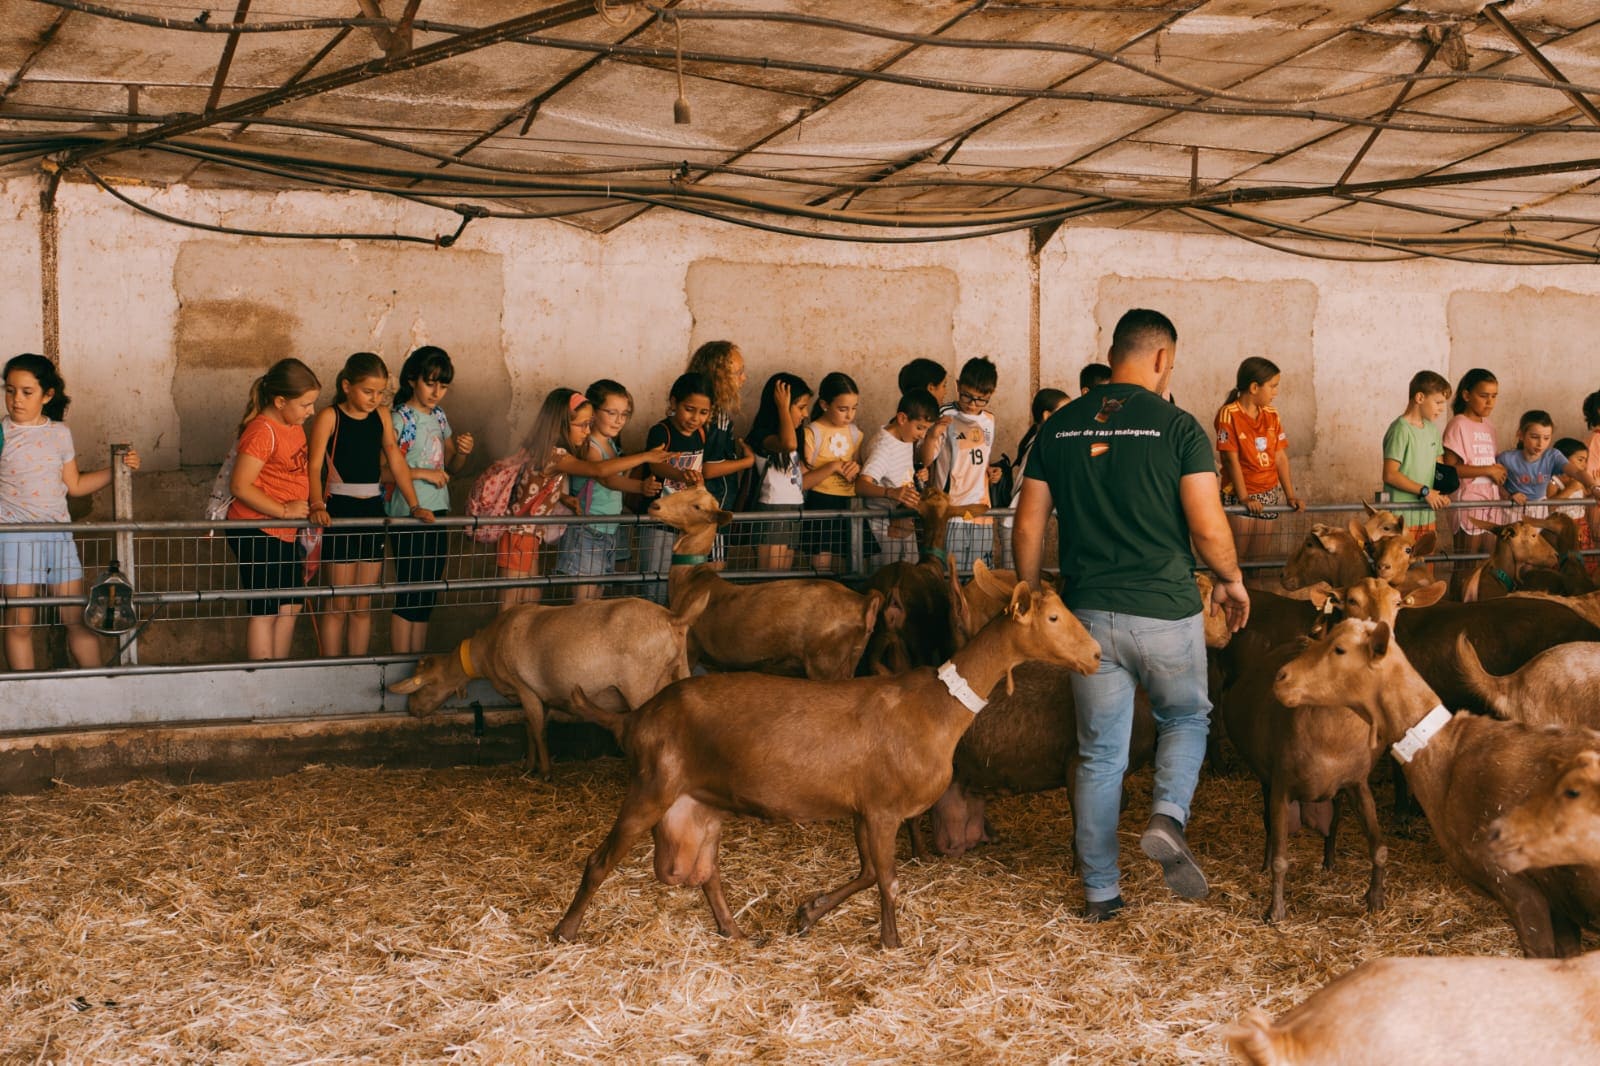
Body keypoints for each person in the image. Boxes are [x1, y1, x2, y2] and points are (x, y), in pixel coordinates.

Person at [1012, 308, 1249, 923]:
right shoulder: (1178, 427)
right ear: (1164, 359)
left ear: (1114, 352)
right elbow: (1206, 525)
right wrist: (1230, 579)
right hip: (1166, 610)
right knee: (1186, 716)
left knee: (1100, 756)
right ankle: (1168, 815)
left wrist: (1033, 594)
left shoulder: (1057, 428)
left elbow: (1030, 523)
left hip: (1088, 616)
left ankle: (1100, 893)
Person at [0, 353, 141, 670]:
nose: (16, 400)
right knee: (20, 621)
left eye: (26, 392)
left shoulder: (59, 434)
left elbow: (74, 484)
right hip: (15, 538)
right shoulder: (2, 434)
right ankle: (29, 697)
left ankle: (97, 688)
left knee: (76, 617)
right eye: (9, 390)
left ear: (47, 395)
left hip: (58, 537)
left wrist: (117, 469)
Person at [307, 352, 432, 658]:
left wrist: (415, 505)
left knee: (363, 603)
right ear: (347, 385)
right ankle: (332, 668)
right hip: (339, 510)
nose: (375, 399)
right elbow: (312, 467)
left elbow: (396, 460)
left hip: (372, 511)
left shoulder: (382, 417)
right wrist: (316, 504)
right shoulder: (329, 417)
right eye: (368, 391)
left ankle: (358, 666)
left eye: (380, 393)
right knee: (337, 603)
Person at [224, 358, 320, 661]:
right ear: (280, 401)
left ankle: (280, 672)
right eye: (306, 404)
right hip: (257, 529)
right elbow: (240, 486)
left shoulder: (292, 426)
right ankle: (263, 680)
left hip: (284, 530)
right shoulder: (262, 431)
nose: (311, 411)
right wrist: (283, 510)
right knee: (265, 609)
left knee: (290, 605)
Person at [386, 346, 473, 654]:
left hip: (438, 510)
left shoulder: (438, 416)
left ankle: (416, 660)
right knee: (409, 588)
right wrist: (422, 473)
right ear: (412, 379)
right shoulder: (398, 418)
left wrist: (461, 452)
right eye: (430, 382)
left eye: (443, 385)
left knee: (427, 590)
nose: (437, 392)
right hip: (407, 512)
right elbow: (383, 470)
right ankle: (400, 661)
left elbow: (450, 468)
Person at [639, 373, 751, 597]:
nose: (695, 418)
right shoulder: (662, 432)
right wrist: (681, 475)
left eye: (703, 412)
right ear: (673, 403)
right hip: (660, 518)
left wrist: (696, 479)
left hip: (687, 523)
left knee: (681, 578)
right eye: (689, 409)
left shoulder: (701, 433)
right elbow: (656, 465)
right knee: (655, 577)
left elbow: (701, 468)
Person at [556, 380, 661, 601]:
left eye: (624, 414)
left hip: (608, 530)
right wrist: (640, 485)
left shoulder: (611, 444)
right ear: (592, 411)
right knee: (584, 601)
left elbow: (617, 478)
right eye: (612, 412)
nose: (619, 420)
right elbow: (606, 478)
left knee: (597, 597)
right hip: (587, 529)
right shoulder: (589, 445)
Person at [746, 373, 842, 573]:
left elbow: (799, 484)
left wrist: (832, 467)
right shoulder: (763, 436)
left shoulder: (792, 446)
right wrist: (783, 407)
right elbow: (787, 443)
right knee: (769, 580)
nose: (805, 414)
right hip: (773, 511)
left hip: (794, 510)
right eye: (800, 407)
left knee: (783, 578)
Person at [1214, 357, 1301, 566]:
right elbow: (1230, 459)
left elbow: (1280, 456)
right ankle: (1231, 599)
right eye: (1272, 386)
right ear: (1254, 387)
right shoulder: (1228, 414)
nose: (1275, 392)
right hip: (1240, 494)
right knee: (1237, 563)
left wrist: (1290, 496)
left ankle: (1253, 598)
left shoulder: (1272, 414)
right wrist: (1244, 498)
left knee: (1257, 564)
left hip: (1269, 493)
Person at [929, 356, 1002, 571]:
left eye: (981, 399)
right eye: (967, 396)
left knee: (980, 572)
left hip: (979, 508)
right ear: (958, 385)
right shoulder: (945, 415)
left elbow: (981, 457)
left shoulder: (989, 419)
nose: (972, 404)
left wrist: (991, 471)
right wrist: (933, 436)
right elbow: (927, 459)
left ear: (991, 394)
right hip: (953, 508)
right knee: (952, 572)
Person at [857, 391, 939, 565]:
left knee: (908, 576)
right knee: (887, 578)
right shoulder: (884, 448)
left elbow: (899, 472)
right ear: (902, 418)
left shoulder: (904, 437)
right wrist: (891, 492)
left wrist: (919, 476)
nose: (922, 435)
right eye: (920, 428)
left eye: (927, 429)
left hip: (903, 522)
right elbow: (861, 485)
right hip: (883, 528)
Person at [800, 372, 863, 572]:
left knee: (855, 563)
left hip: (850, 503)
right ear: (824, 405)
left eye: (854, 408)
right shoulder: (812, 433)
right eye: (842, 409)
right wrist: (833, 467)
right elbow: (801, 482)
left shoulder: (855, 433)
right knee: (821, 567)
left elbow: (859, 469)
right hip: (820, 502)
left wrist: (857, 469)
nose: (849, 415)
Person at [1441, 369, 1506, 562]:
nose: (1490, 402)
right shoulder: (1458, 424)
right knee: (1466, 564)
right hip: (1468, 503)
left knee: (1489, 563)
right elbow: (1449, 469)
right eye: (1484, 396)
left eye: (1494, 396)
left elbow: (1492, 462)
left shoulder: (1489, 426)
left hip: (1491, 502)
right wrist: (1487, 470)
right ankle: (1458, 594)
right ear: (1466, 395)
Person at [1382, 370, 1452, 531]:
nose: (1442, 409)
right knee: (1405, 556)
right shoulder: (1400, 429)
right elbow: (1390, 474)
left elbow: (1438, 469)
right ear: (1420, 398)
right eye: (1438, 402)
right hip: (1400, 518)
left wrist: (1440, 494)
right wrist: (1425, 491)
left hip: (1426, 515)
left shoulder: (1432, 430)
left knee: (1424, 556)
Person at [1497, 410, 1598, 517]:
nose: (1541, 444)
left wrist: (1594, 488)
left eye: (1546, 438)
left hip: (1540, 516)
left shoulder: (1552, 456)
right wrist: (1509, 496)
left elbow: (1577, 472)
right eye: (1535, 437)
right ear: (1521, 435)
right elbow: (1496, 485)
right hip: (1512, 515)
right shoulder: (1506, 458)